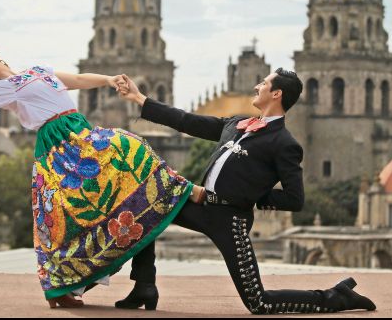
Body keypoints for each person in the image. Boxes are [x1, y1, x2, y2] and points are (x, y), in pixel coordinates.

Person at [0, 40, 205, 309]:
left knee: (130, 146)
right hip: (57, 147)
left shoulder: (38, 70)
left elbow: (74, 80)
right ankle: (66, 285)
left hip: (80, 130)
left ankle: (183, 189)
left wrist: (107, 79)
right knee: (60, 220)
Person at [114, 68, 377, 314]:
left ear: (276, 94)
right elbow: (186, 121)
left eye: (263, 83)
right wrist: (139, 98)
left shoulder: (284, 143)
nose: (256, 86)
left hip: (231, 220)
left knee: (258, 302)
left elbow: (295, 199)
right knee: (144, 208)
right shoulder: (237, 124)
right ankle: (145, 286)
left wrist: (248, 197)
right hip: (200, 205)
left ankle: (336, 296)